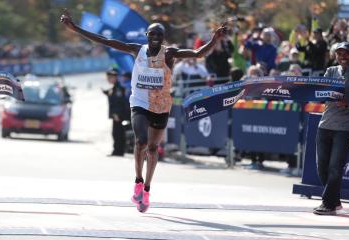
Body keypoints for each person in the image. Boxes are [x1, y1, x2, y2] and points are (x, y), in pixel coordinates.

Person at [61, 10, 227, 213]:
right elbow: (105, 40)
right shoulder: (136, 50)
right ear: (147, 36)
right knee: (141, 141)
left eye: (159, 35)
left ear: (163, 38)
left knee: (153, 148)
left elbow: (197, 54)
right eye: (152, 34)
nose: (156, 38)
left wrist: (213, 39)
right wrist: (75, 28)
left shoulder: (169, 53)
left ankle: (147, 189)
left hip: (161, 105)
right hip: (139, 102)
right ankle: (138, 181)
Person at [313, 42, 349, 215]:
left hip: (346, 127)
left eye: (346, 53)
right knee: (321, 167)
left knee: (335, 167)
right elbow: (321, 92)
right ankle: (335, 201)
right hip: (325, 124)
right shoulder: (331, 71)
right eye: (339, 53)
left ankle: (328, 205)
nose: (342, 56)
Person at [103, 68, 128, 157]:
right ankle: (117, 150)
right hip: (117, 115)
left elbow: (118, 102)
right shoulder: (115, 88)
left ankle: (118, 151)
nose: (108, 79)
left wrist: (116, 114)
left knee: (118, 133)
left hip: (119, 115)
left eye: (110, 77)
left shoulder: (118, 88)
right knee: (116, 133)